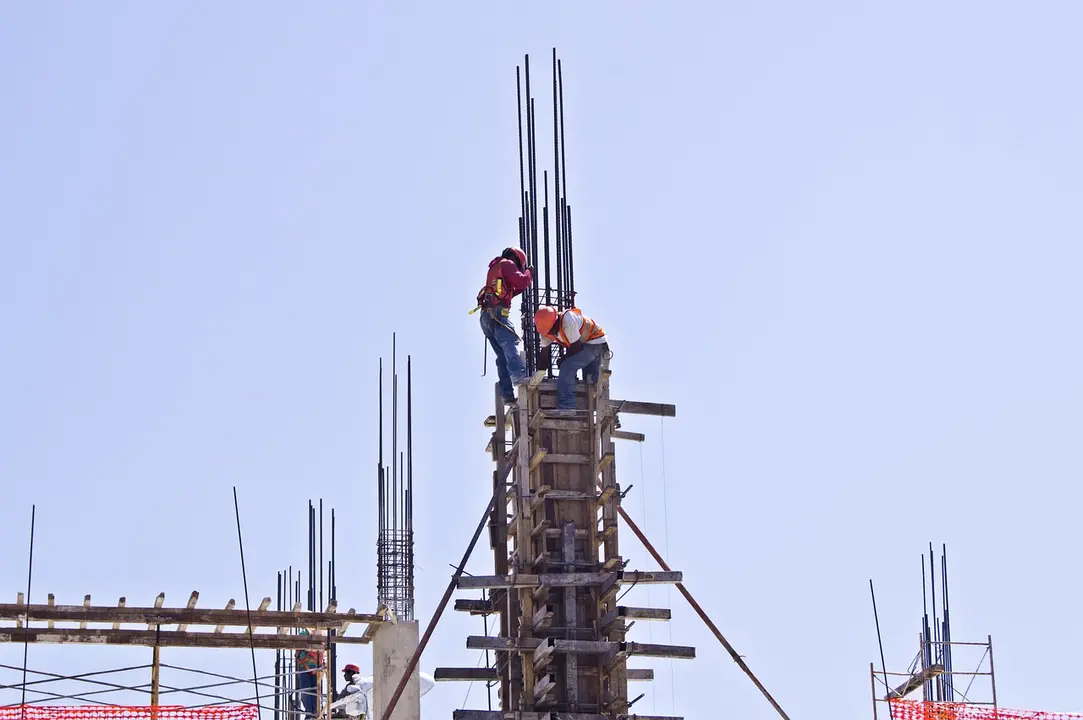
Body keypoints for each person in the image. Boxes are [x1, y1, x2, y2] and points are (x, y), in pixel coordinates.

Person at [475, 247, 534, 403]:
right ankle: (518, 375)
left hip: (486, 317)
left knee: (502, 356)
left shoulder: (495, 267)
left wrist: (525, 280)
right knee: (510, 343)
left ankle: (506, 394)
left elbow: (514, 288)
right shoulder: (507, 264)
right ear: (516, 259)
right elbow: (521, 281)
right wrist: (529, 274)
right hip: (497, 314)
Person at [533, 305, 609, 410]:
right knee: (591, 382)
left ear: (555, 322)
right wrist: (540, 373)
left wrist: (563, 359)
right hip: (588, 345)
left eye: (551, 331)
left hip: (596, 344)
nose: (551, 334)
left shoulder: (567, 321)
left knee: (567, 366)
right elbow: (544, 353)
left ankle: (567, 407)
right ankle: (602, 408)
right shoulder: (545, 331)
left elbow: (576, 347)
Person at [294, 628, 325, 719]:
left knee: (306, 690)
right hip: (316, 667)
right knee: (316, 690)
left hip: (305, 666)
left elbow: (297, 642)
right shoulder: (321, 633)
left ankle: (310, 713)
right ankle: (317, 712)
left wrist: (298, 653)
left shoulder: (305, 632)